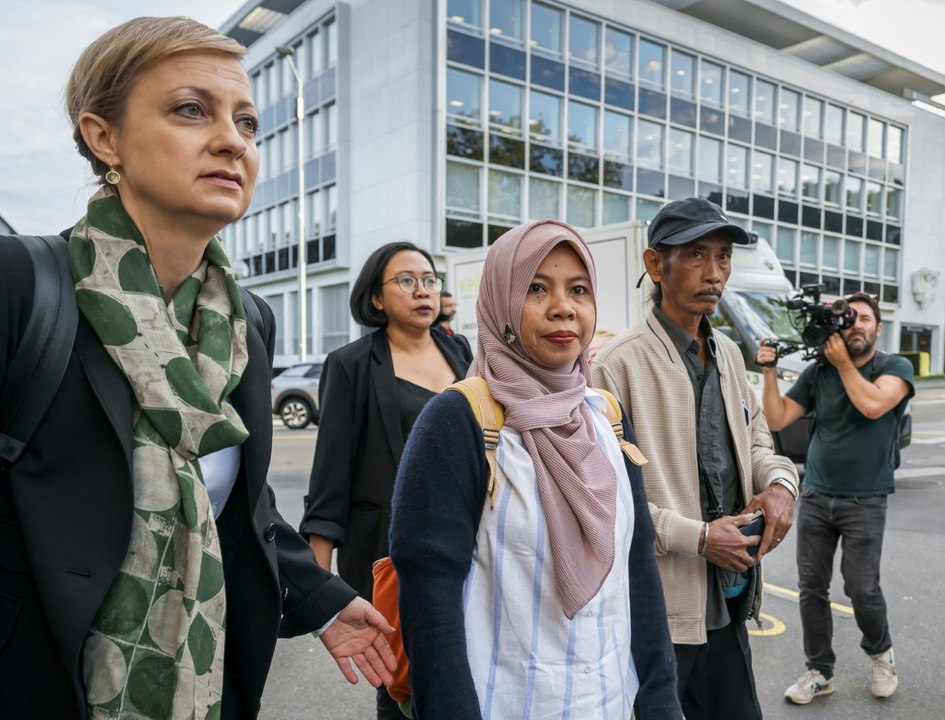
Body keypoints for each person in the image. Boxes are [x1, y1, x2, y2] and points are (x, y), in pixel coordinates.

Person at [0, 18, 394, 719]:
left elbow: (236, 504)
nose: (232, 141)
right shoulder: (21, 287)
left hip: (204, 686)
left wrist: (322, 599)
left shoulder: (246, 322)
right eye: (190, 110)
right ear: (104, 138)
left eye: (247, 122)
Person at [388, 220, 681, 719]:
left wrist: (661, 700)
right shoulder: (458, 421)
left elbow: (637, 568)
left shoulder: (605, 416)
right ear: (501, 302)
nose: (563, 307)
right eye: (537, 288)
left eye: (579, 290)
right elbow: (430, 601)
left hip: (609, 702)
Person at [591, 197, 799, 720]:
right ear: (656, 264)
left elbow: (757, 442)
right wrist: (700, 538)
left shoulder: (728, 352)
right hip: (656, 609)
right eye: (696, 254)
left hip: (729, 596)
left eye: (723, 256)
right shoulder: (616, 366)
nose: (714, 273)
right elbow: (603, 502)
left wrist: (781, 485)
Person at [301, 241, 472, 718]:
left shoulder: (459, 350)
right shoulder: (351, 364)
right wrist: (319, 591)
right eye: (406, 281)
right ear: (376, 297)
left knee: (462, 674)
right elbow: (330, 474)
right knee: (401, 683)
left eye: (430, 280)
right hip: (390, 553)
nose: (423, 291)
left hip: (466, 540)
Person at [757, 291, 913, 705]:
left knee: (862, 588)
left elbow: (873, 405)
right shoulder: (819, 372)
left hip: (865, 499)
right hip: (816, 494)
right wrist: (769, 373)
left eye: (864, 319)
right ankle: (819, 671)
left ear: (878, 328)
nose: (856, 324)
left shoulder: (894, 368)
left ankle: (881, 655)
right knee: (811, 588)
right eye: (849, 318)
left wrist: (843, 363)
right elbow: (777, 418)